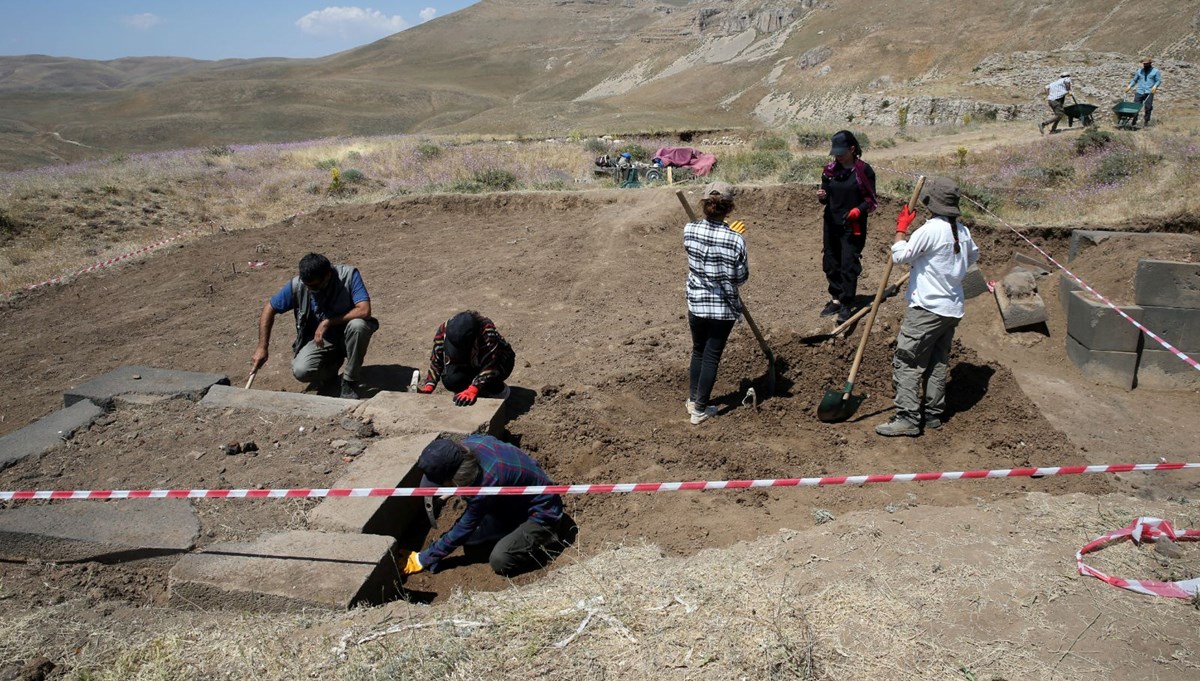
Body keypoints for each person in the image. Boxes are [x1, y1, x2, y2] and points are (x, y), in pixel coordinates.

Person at [875, 177, 980, 437]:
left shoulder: (931, 229)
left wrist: (901, 229)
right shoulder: (962, 231)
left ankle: (908, 418)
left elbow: (899, 256)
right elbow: (973, 256)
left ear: (931, 203)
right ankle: (933, 414)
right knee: (936, 362)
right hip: (951, 308)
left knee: (907, 360)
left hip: (927, 309)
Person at [401, 436, 577, 577]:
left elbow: (466, 525)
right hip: (512, 500)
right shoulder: (471, 444)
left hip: (542, 514)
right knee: (471, 540)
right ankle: (506, 525)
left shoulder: (485, 484)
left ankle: (547, 537)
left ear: (458, 475)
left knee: (501, 560)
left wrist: (425, 558)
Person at [251, 252, 378, 399]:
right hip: (321, 341)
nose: (311, 289)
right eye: (307, 285)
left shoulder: (349, 275)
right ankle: (330, 370)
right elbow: (269, 308)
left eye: (315, 285)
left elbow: (364, 310)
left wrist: (328, 322)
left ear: (328, 275)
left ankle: (350, 381)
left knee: (358, 326)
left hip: (347, 335)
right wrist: (262, 347)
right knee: (301, 371)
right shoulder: (299, 284)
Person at [683, 181, 749, 425]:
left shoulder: (689, 230)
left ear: (704, 204)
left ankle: (692, 400)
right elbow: (740, 278)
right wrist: (733, 235)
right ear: (729, 208)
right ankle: (700, 410)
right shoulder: (735, 240)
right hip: (722, 308)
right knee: (712, 356)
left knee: (698, 351)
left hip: (697, 302)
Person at [817, 130, 877, 324]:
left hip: (853, 226)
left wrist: (858, 211)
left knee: (848, 265)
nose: (838, 156)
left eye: (842, 152)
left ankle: (846, 303)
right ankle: (835, 298)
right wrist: (822, 196)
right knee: (831, 262)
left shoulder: (864, 171)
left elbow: (870, 200)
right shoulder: (830, 170)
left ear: (852, 149)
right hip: (831, 222)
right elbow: (825, 195)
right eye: (836, 152)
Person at [416, 311, 515, 406]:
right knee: (451, 379)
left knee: (493, 376)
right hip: (470, 362)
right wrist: (429, 385)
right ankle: (468, 391)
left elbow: (491, 364)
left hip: (500, 361)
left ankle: (499, 391)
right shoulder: (444, 330)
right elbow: (436, 360)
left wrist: (473, 389)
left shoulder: (486, 332)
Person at [1126, 57, 1162, 127]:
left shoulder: (1155, 71)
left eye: (1146, 64)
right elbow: (1135, 80)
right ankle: (1134, 122)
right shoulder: (1139, 71)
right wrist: (1130, 86)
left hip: (1149, 92)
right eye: (1144, 64)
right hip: (1139, 91)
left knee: (1148, 108)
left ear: (1150, 63)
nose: (1145, 65)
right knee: (1135, 107)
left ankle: (1146, 122)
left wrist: (1155, 86)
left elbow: (1158, 81)